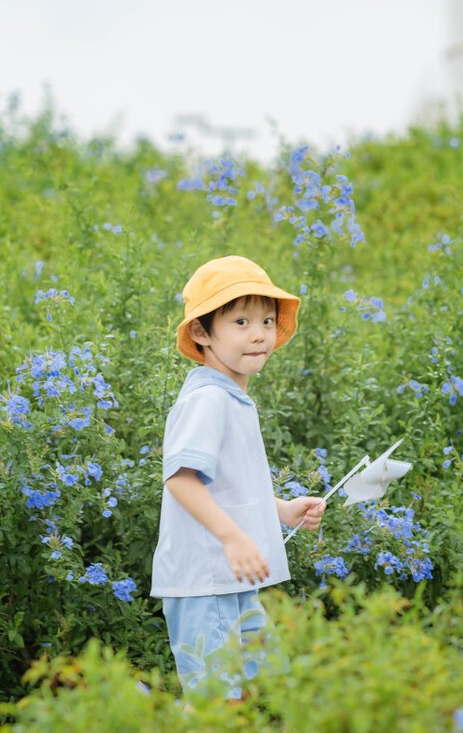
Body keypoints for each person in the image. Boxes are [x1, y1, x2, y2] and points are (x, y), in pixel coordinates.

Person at [150, 255, 326, 700]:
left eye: (267, 320)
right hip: (206, 581)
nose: (259, 334)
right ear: (201, 332)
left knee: (248, 693)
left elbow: (227, 489)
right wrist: (232, 538)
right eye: (241, 321)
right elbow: (181, 480)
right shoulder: (209, 399)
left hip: (230, 581)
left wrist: (283, 511)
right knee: (216, 706)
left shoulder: (232, 398)